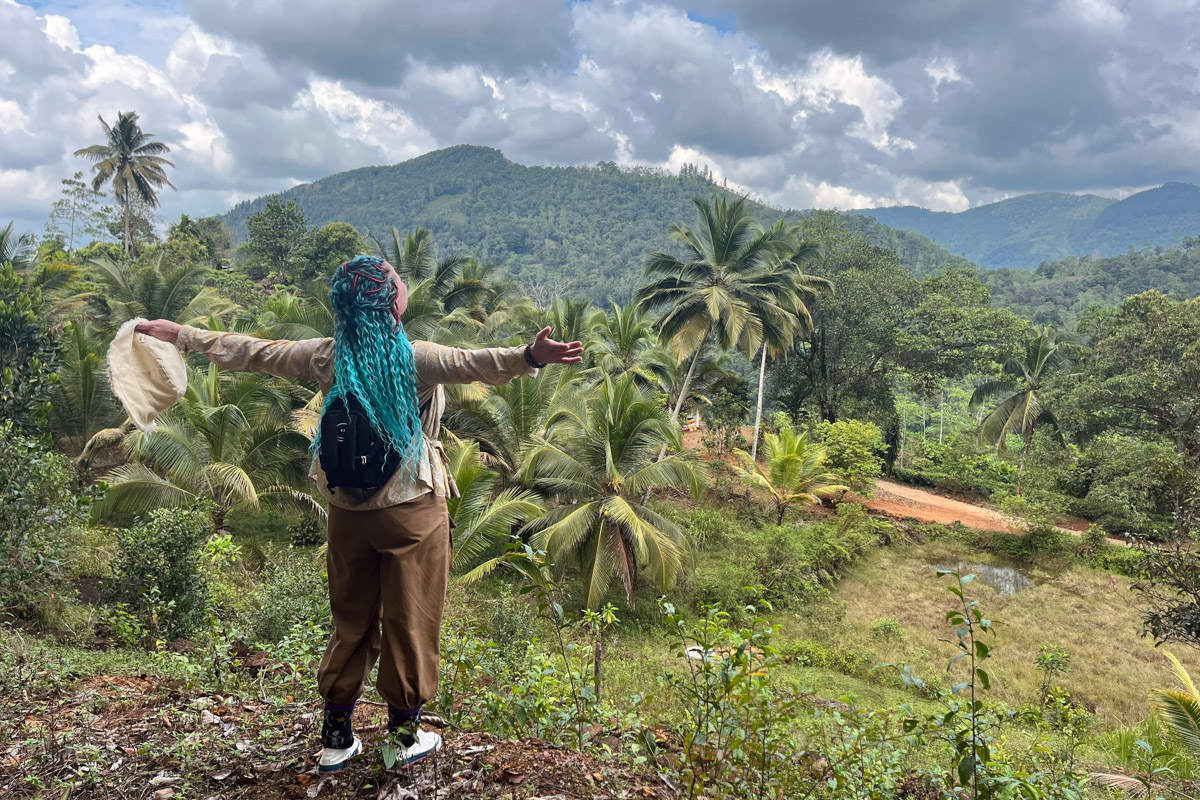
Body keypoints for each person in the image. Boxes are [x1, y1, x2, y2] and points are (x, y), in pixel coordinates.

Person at [136, 255, 582, 771]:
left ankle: (336, 738)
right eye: (396, 278)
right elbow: (479, 362)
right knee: (410, 619)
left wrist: (181, 334)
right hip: (411, 509)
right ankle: (402, 738)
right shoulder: (416, 358)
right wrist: (533, 353)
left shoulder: (325, 356)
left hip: (345, 509)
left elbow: (252, 352)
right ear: (393, 301)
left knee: (351, 618)